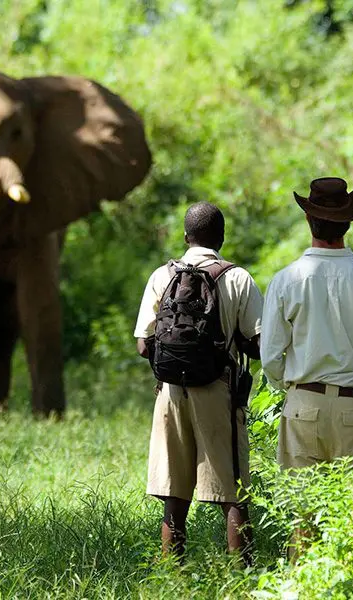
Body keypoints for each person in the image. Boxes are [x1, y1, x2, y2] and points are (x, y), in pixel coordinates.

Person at [134, 201, 263, 564]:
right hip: (217, 390)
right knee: (233, 489)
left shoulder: (162, 275)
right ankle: (243, 575)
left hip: (171, 393)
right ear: (220, 237)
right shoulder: (236, 277)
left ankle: (172, 575)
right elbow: (257, 342)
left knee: (174, 496)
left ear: (186, 236)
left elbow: (144, 344)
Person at [261, 177, 353, 471]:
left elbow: (271, 356)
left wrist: (291, 388)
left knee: (303, 512)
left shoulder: (286, 280)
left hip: (303, 405)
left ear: (307, 218)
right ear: (348, 223)